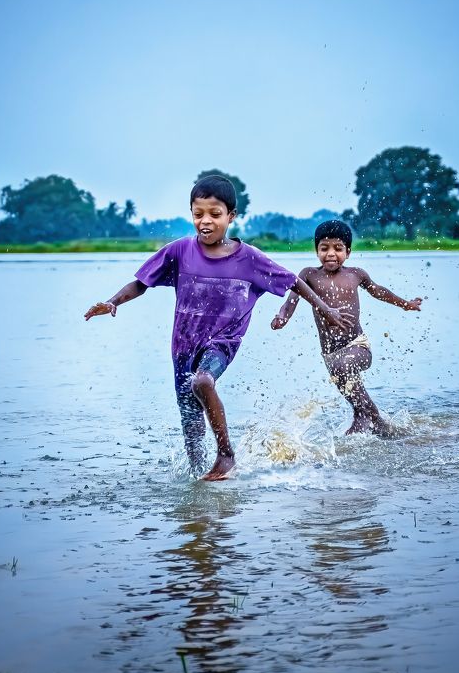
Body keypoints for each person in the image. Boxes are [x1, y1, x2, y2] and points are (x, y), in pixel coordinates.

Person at [84, 177, 355, 480]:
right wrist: (113, 302)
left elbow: (293, 280)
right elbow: (141, 283)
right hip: (183, 346)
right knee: (191, 425)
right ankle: (201, 482)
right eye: (198, 214)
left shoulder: (249, 258)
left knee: (202, 382)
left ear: (231, 217)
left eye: (214, 214)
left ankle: (226, 455)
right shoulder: (179, 251)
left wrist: (326, 308)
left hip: (222, 342)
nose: (205, 221)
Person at [271, 219, 422, 436]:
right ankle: (376, 425)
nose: (331, 253)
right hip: (330, 354)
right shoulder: (308, 275)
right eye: (324, 248)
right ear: (316, 251)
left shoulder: (356, 274)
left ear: (348, 252)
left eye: (338, 248)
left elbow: (378, 291)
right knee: (354, 397)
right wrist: (282, 317)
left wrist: (405, 304)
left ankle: (373, 419)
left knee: (345, 372)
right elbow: (292, 298)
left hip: (357, 345)